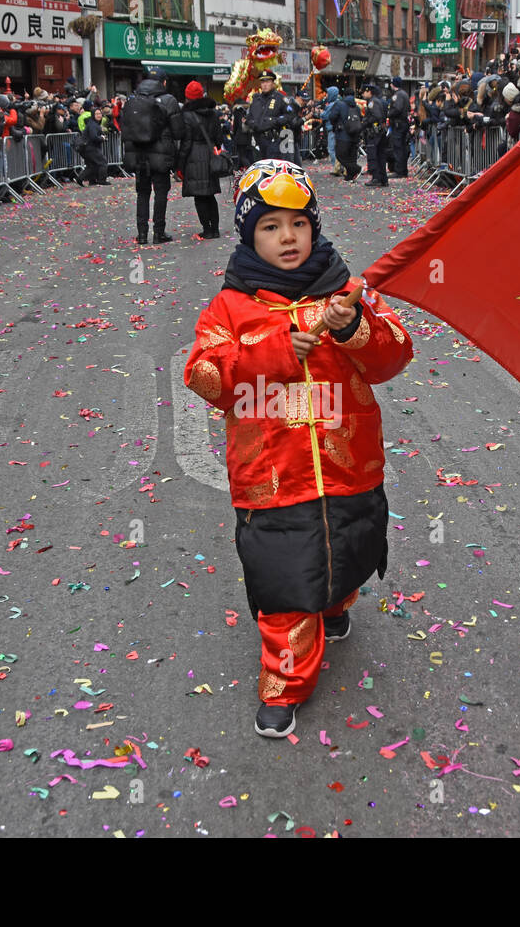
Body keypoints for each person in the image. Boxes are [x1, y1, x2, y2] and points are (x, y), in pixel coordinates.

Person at [182, 158, 413, 738]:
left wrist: (350, 326)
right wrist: (278, 352)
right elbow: (206, 376)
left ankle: (335, 606)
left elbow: (394, 355)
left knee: (348, 547)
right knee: (285, 577)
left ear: (314, 226)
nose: (287, 237)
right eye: (269, 226)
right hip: (272, 477)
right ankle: (285, 683)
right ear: (247, 234)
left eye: (297, 223)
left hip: (350, 466)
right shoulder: (229, 307)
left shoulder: (346, 289)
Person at [121, 69, 183, 244]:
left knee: (142, 193)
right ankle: (158, 232)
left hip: (139, 154)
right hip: (161, 154)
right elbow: (178, 131)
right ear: (163, 82)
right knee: (161, 193)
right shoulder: (169, 100)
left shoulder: (134, 99)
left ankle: (141, 234)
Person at [177, 81, 223, 239]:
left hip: (194, 156)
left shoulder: (187, 116)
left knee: (200, 197)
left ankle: (207, 229)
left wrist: (180, 164)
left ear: (188, 97)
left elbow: (186, 142)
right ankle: (215, 229)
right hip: (209, 155)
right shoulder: (213, 113)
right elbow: (219, 138)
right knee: (210, 195)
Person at [248, 72, 292, 160]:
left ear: (273, 83)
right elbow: (249, 117)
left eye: (267, 82)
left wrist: (274, 121)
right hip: (258, 141)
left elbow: (289, 116)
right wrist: (252, 123)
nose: (265, 85)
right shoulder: (256, 99)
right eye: (262, 82)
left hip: (275, 141)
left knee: (274, 170)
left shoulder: (280, 98)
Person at [361, 83, 388, 187]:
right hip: (379, 132)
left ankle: (376, 177)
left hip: (374, 133)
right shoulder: (378, 101)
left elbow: (376, 116)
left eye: (364, 92)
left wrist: (365, 122)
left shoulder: (372, 102)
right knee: (381, 156)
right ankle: (383, 179)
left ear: (369, 91)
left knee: (374, 156)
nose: (363, 94)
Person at [388, 77, 410, 178]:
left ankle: (399, 170)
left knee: (398, 148)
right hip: (402, 123)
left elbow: (397, 108)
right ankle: (402, 170)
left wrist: (389, 113)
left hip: (398, 124)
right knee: (401, 147)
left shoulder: (398, 95)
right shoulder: (404, 94)